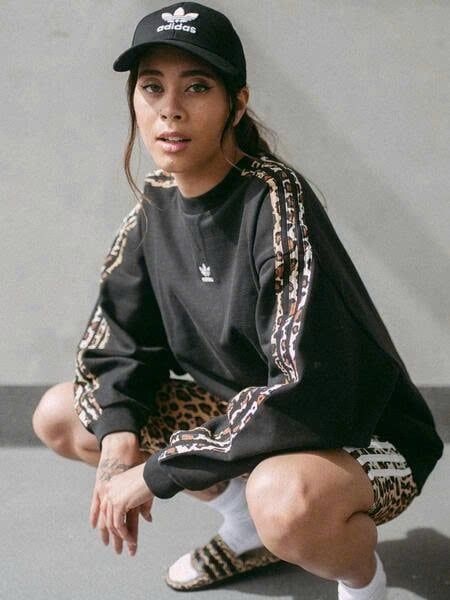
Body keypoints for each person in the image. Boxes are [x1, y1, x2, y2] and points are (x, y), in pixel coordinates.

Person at [32, 2, 443, 598]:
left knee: (283, 498)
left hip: (359, 435)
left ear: (238, 102)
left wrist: (159, 470)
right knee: (67, 414)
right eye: (152, 87)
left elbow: (308, 389)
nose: (170, 108)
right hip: (250, 421)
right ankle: (247, 531)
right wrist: (119, 438)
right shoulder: (153, 207)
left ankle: (361, 581)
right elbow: (114, 342)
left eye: (197, 87)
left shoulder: (276, 202)